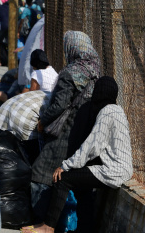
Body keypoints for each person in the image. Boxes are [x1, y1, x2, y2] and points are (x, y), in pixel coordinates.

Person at [21, 76, 133, 233]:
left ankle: (48, 227)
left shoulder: (107, 112)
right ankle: (85, 228)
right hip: (120, 169)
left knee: (63, 179)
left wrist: (66, 165)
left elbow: (92, 145)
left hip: (113, 171)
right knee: (82, 187)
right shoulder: (117, 110)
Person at [29, 31, 101, 230]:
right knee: (75, 181)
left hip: (66, 130)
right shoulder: (95, 71)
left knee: (41, 172)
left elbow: (59, 105)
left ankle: (40, 222)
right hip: (87, 132)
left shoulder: (70, 73)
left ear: (71, 48)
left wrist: (43, 121)